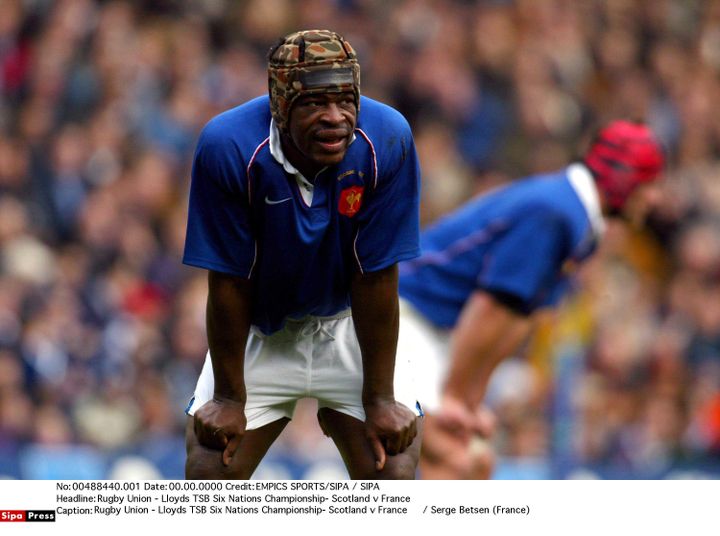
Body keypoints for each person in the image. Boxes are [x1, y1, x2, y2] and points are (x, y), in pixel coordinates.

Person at [182, 29, 423, 480]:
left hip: (350, 322)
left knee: (393, 468)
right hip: (260, 328)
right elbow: (229, 279)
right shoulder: (228, 146)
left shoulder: (388, 139)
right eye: (314, 104)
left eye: (346, 100)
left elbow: (376, 275)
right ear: (279, 103)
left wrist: (378, 398)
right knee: (210, 467)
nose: (336, 118)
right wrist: (231, 400)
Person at [397, 120, 666, 479]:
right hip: (401, 315)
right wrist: (456, 399)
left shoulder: (577, 219)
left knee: (478, 461)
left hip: (431, 328)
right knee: (453, 458)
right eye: (649, 184)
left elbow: (518, 318)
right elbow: (491, 307)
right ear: (623, 177)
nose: (654, 198)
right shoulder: (558, 211)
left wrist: (472, 402)